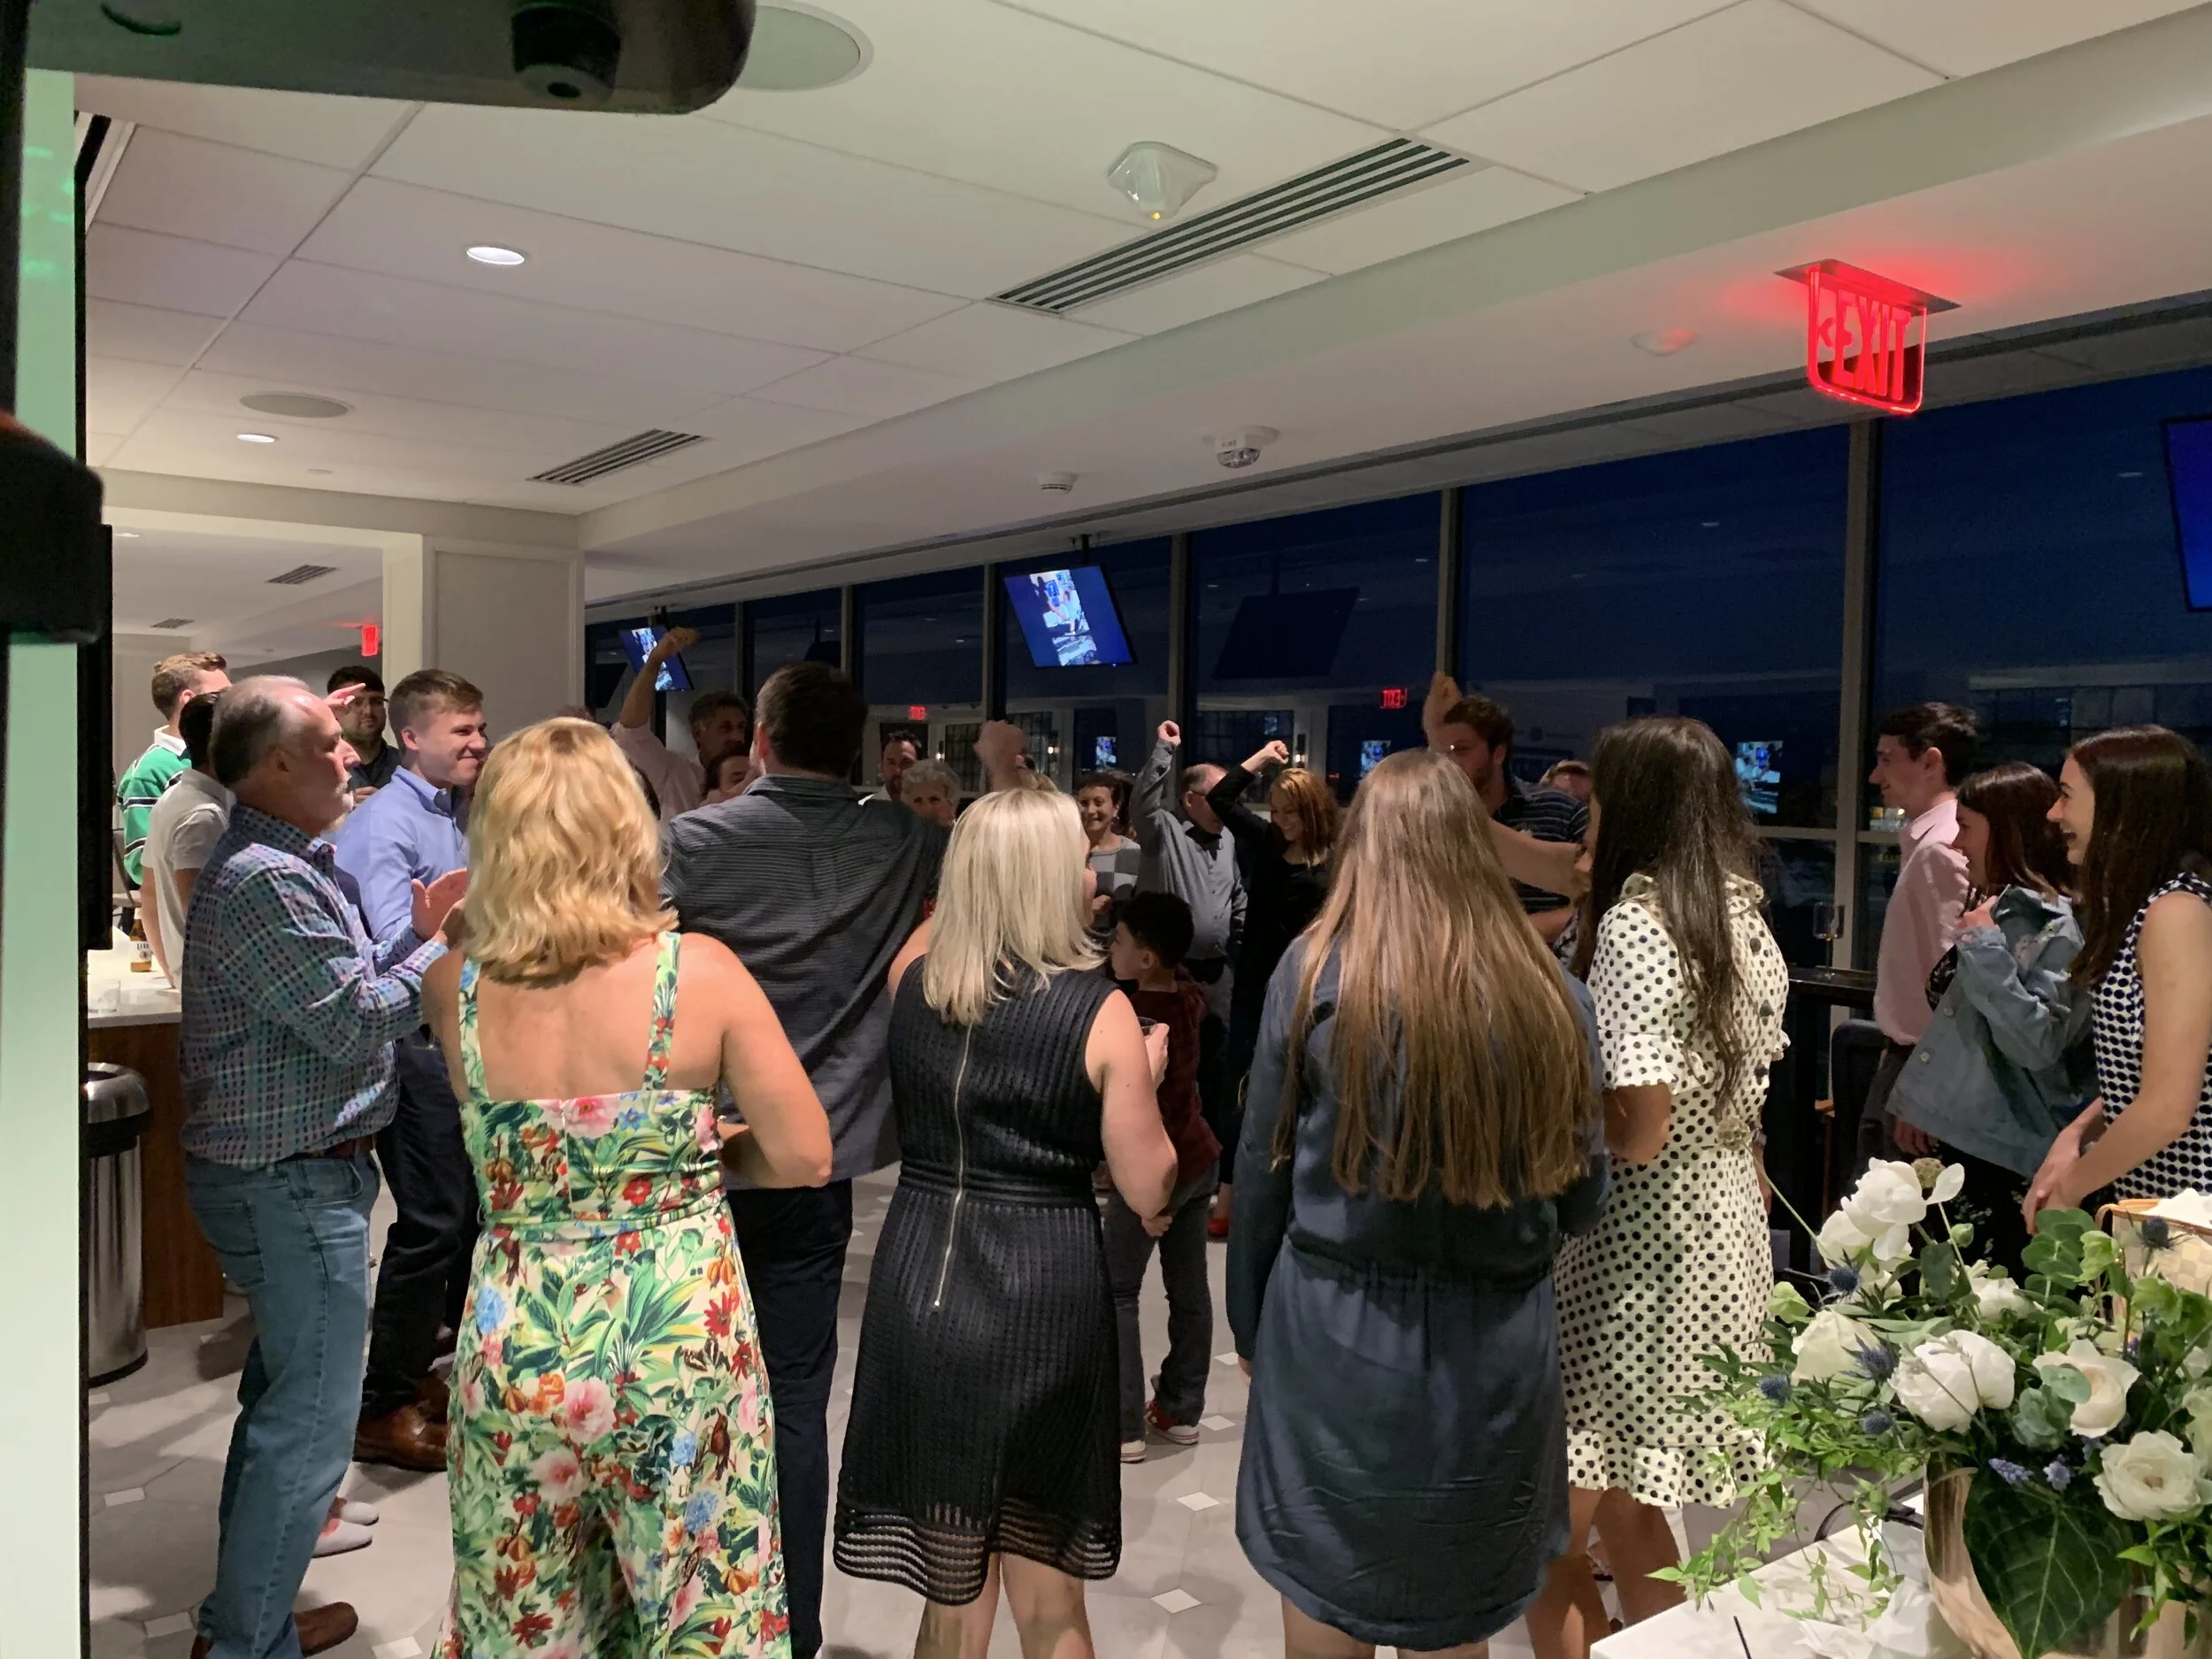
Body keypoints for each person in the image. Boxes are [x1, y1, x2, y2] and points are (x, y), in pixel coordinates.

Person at [420, 718, 833, 1658]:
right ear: (629, 833)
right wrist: (698, 1154)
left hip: (518, 1344)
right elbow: (804, 1155)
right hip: (673, 1346)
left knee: (526, 1618)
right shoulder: (701, 976)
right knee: (700, 1619)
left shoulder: (455, 989)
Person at [661, 660, 1030, 1659]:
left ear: (765, 743)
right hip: (815, 1160)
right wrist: (1000, 768)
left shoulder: (691, 842)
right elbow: (1012, 864)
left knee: (678, 1389)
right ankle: (794, 1628)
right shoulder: (905, 842)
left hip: (694, 1159)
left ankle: (691, 1619)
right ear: (859, 751)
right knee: (792, 1396)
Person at [1230, 749, 1608, 1658]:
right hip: (1497, 1346)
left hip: (1332, 1335)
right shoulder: (1556, 994)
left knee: (1324, 1602)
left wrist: (1250, 1328)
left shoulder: (1313, 972)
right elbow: (1583, 1197)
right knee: (1457, 1615)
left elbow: (1261, 1176)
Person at [833, 787, 1178, 1659]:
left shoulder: (913, 978)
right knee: (1048, 1587)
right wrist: (1144, 1071)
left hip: (921, 1280)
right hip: (1041, 1296)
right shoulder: (1095, 1012)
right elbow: (1148, 1184)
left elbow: (939, 931)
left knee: (953, 1587)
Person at [178, 677, 465, 1659]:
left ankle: (246, 1618)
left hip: (297, 1177)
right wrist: (441, 956)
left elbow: (337, 992)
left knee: (282, 1411)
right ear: (275, 765)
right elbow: (352, 1021)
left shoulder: (291, 863)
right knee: (305, 1432)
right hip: (289, 1182)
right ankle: (247, 1644)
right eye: (330, 744)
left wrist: (418, 935)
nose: (353, 756)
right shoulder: (267, 877)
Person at [1526, 717, 1789, 1659]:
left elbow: (1638, 1129)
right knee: (1633, 1512)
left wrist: (1537, 1122)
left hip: (1635, 1252)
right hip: (1714, 1241)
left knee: (1542, 1538)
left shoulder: (1638, 926)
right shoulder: (1739, 917)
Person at [333, 668, 489, 1471]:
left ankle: (416, 1373)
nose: (477, 742)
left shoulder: (464, 815)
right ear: (410, 736)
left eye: (478, 727)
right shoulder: (382, 824)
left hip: (459, 1035)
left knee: (463, 1217)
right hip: (411, 1043)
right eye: (460, 731)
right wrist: (464, 922)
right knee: (430, 1220)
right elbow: (397, 944)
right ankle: (381, 1403)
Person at [1886, 763, 2091, 1276]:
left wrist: (1982, 945)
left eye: (1969, 827)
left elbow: (2038, 1044)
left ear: (2008, 834)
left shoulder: (2056, 925)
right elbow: (1967, 1023)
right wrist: (1926, 1103)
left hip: (2008, 1158)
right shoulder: (2001, 906)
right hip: (1967, 1142)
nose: (1956, 842)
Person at [2026, 726, 2212, 1220]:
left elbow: (2169, 1106)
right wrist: (2078, 1133)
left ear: (2122, 809)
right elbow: (2143, 1076)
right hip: (2157, 1206)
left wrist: (2069, 1190)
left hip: (2189, 1214)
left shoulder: (2177, 912)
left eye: (2066, 796)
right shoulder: (2154, 906)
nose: (2053, 814)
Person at [1103, 890, 1220, 1462]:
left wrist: (1151, 1195)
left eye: (1120, 940)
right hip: (1201, 1158)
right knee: (1188, 1288)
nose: (1112, 948)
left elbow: (1157, 1110)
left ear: (1146, 957)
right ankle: (1181, 1407)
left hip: (1158, 1165)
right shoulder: (1191, 996)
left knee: (1118, 1287)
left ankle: (1123, 1424)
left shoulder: (1143, 1020)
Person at [1204, 742, 1339, 1237]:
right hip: (1257, 983)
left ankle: (1296, 1197)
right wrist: (1260, 758)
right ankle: (1228, 1198)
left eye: (1290, 813)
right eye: (1276, 811)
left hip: (1310, 984)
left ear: (1313, 811)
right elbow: (1220, 799)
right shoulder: (1265, 843)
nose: (1281, 821)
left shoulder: (1338, 859)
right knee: (1239, 1086)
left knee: (1304, 1084)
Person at [1863, 703, 1978, 1163]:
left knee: (1881, 1223)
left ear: (1930, 761)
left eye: (1887, 758)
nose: (1875, 775)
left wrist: (1927, 1089)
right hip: (1915, 1058)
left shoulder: (1943, 846)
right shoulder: (1937, 838)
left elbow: (1955, 982)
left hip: (1921, 1063)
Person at [1422, 676, 1588, 949]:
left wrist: (1507, 936)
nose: (1450, 763)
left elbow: (1590, 904)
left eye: (1461, 750)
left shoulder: (1561, 810)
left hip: (1544, 970)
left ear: (1498, 753)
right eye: (1444, 752)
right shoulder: (1435, 821)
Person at [1131, 720, 1243, 1030]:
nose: (1227, 807)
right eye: (1219, 798)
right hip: (1170, 971)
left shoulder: (1229, 838)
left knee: (1217, 1056)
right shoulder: (1162, 830)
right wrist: (1165, 749)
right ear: (1191, 799)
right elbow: (1142, 804)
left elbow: (1235, 895)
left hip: (1218, 974)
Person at [611, 623, 753, 824]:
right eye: (725, 728)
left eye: (741, 727)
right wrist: (654, 662)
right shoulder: (674, 771)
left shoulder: (755, 779)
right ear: (697, 733)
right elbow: (631, 731)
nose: (737, 737)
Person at [119, 649, 230, 885]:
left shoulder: (224, 755)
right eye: (222, 694)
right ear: (189, 699)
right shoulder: (148, 772)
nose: (232, 703)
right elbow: (141, 865)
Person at [142, 689, 229, 985]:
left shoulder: (174, 798)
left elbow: (149, 894)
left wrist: (174, 976)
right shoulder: (204, 816)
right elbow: (208, 926)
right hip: (214, 993)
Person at [1077, 769, 1142, 934]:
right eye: (1084, 803)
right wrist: (1087, 908)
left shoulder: (1134, 854)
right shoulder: (1065, 853)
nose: (1090, 811)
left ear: (1115, 808)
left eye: (1098, 803)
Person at [328, 664, 402, 797]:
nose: (368, 711)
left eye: (376, 701)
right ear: (336, 712)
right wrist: (341, 811)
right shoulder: (318, 768)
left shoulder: (408, 766)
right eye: (357, 702)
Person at [900, 757, 961, 828]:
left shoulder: (967, 837)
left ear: (952, 804)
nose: (926, 809)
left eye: (934, 800)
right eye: (918, 801)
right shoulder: (899, 837)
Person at [871, 733, 921, 804]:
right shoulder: (863, 811)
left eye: (906, 763)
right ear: (882, 766)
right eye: (891, 763)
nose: (897, 771)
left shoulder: (931, 811)